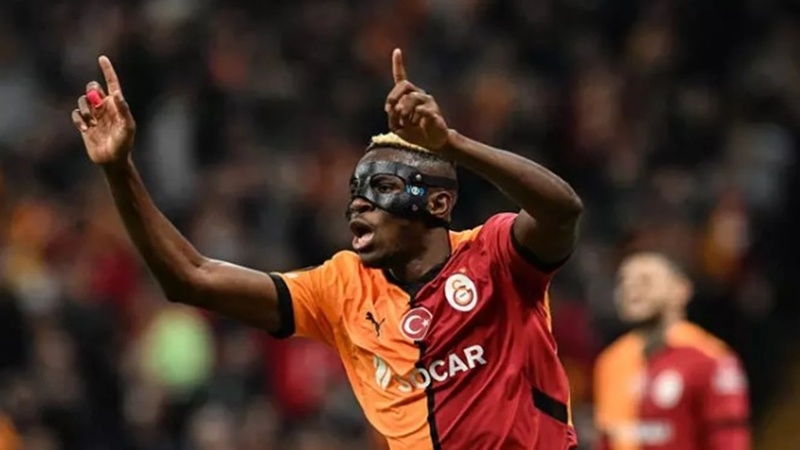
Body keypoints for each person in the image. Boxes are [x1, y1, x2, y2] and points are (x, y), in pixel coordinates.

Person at [70, 49, 583, 450]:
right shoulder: (341, 288)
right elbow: (191, 277)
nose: (359, 203)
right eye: (355, 191)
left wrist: (451, 145)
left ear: (439, 203)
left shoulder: (494, 255)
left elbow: (562, 211)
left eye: (381, 186)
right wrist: (118, 169)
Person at [593, 252, 750, 450]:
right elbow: (607, 437)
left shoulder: (711, 359)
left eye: (645, 280)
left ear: (681, 290)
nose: (632, 288)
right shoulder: (611, 362)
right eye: (624, 282)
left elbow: (728, 440)